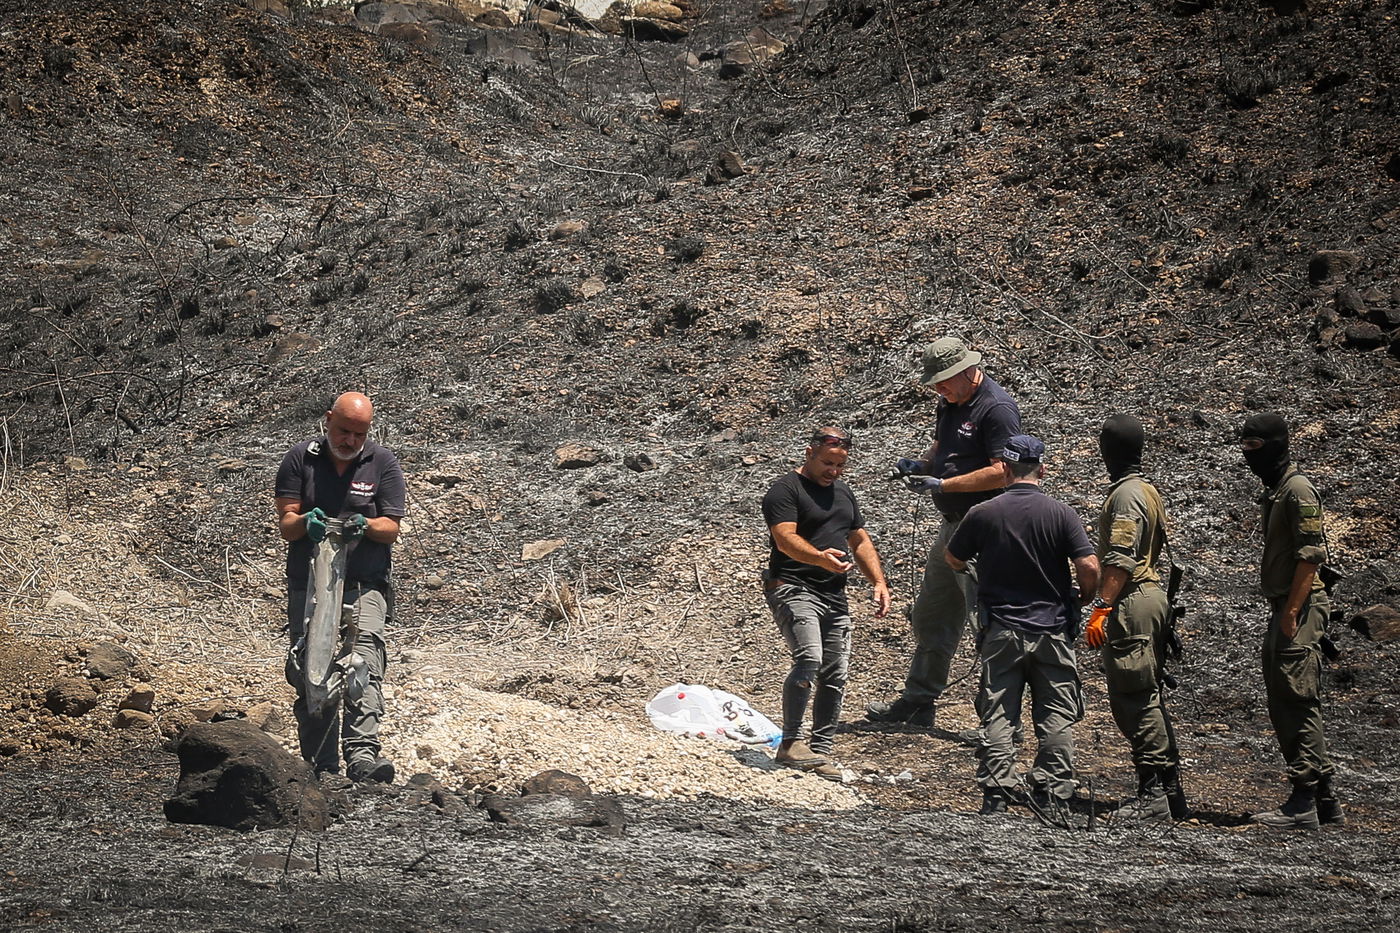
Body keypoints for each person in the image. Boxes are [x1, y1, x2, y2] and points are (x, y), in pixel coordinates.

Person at [867, 336, 1020, 729]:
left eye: (946, 379)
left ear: (970, 371)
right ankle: (919, 701)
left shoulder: (996, 407)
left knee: (987, 625)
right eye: (936, 381)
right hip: (952, 527)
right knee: (932, 614)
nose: (940, 388)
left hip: (985, 530)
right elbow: (940, 451)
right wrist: (919, 466)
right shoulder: (949, 403)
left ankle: (998, 722)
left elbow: (1003, 471)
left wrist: (943, 485)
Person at [943, 435, 1099, 821]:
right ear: (1041, 469)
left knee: (998, 712)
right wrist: (1084, 596)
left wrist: (973, 571)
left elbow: (952, 557)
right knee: (1057, 715)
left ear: (1005, 470)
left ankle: (996, 793)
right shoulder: (1061, 514)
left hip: (1001, 630)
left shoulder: (983, 513)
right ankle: (1053, 794)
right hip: (1053, 630)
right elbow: (1090, 566)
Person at [274, 392, 406, 783]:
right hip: (309, 582)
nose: (350, 440)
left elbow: (392, 527)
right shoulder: (301, 458)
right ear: (328, 419)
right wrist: (304, 524)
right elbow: (286, 522)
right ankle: (321, 762)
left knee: (364, 660)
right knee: (313, 666)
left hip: (364, 581)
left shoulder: (382, 463)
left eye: (359, 434)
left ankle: (363, 757)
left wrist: (366, 526)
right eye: (343, 430)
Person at [762, 426, 892, 780]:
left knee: (835, 672)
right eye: (827, 463)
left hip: (833, 592)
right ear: (809, 453)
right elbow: (785, 539)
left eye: (840, 465)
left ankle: (820, 752)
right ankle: (790, 743)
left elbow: (860, 539)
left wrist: (878, 581)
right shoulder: (785, 490)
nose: (833, 471)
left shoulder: (844, 492)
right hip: (792, 586)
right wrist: (820, 557)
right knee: (810, 658)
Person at [1239, 413, 1343, 829]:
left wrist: (1294, 612)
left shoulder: (1297, 490)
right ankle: (1324, 798)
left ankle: (1303, 799)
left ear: (1277, 445)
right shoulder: (1279, 490)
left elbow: (1311, 556)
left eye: (1255, 447)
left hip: (1297, 607)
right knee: (1290, 697)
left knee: (1294, 701)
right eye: (1243, 447)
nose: (1248, 456)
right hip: (1286, 606)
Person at [1083, 414, 1188, 821]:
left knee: (1134, 697)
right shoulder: (1146, 489)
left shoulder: (1127, 495)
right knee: (1147, 694)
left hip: (1132, 600)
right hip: (1150, 597)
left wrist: (1103, 607)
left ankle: (1153, 793)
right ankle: (1171, 791)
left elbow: (1121, 557)